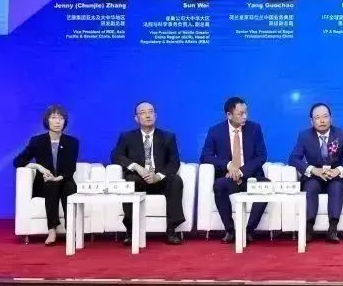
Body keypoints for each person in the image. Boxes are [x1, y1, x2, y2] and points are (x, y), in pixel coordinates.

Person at [110, 101, 185, 245]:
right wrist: (136, 167)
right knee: (130, 182)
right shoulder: (127, 137)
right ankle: (131, 231)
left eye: (150, 112)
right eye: (143, 113)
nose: (147, 115)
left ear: (155, 116)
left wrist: (158, 176)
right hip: (139, 179)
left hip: (159, 180)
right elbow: (116, 156)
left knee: (175, 180)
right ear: (136, 118)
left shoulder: (168, 137)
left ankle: (171, 230)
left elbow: (174, 162)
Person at [288, 103, 343, 243]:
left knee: (336, 186)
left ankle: (332, 229)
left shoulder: (342, 134)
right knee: (311, 186)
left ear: (331, 119)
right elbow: (293, 159)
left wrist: (338, 170)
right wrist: (313, 170)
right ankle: (308, 228)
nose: (322, 120)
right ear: (311, 121)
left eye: (325, 116)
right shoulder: (304, 136)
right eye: (317, 117)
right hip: (314, 177)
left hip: (335, 177)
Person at [200, 97, 269, 244]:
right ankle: (230, 231)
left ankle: (249, 230)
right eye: (240, 113)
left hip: (250, 177)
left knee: (266, 185)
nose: (245, 116)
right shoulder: (215, 131)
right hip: (228, 177)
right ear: (229, 115)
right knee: (219, 185)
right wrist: (228, 165)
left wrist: (241, 171)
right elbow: (205, 156)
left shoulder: (254, 128)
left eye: (246, 112)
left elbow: (262, 156)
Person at [13, 104, 78, 245]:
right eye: (54, 117)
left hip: (64, 180)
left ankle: (71, 230)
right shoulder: (37, 141)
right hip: (44, 183)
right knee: (50, 185)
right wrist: (38, 167)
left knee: (69, 187)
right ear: (47, 120)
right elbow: (18, 161)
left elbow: (70, 168)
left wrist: (58, 178)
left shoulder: (72, 142)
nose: (57, 121)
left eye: (61, 118)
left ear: (65, 121)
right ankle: (52, 230)